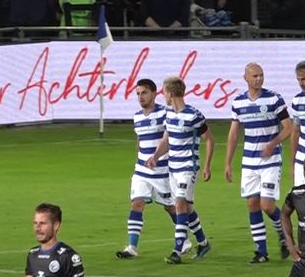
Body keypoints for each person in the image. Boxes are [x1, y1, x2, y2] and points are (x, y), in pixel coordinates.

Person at [224, 62, 295, 263]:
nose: (259, 79)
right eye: (255, 76)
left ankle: (283, 233)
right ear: (245, 78)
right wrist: (228, 163)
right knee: (252, 204)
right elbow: (233, 134)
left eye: (261, 75)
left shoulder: (273, 99)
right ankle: (261, 252)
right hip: (249, 161)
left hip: (271, 160)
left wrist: (273, 143)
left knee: (266, 204)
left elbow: (288, 127)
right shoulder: (238, 102)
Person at [116, 78, 188, 260]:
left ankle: (184, 239)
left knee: (170, 207)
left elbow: (172, 137)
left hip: (162, 171)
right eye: (138, 94)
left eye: (144, 93)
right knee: (137, 203)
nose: (140, 97)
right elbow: (140, 140)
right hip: (141, 170)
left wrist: (158, 157)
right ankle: (132, 247)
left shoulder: (166, 113)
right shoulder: (137, 117)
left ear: (154, 94)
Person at [146, 77, 214, 264]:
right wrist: (155, 156)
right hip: (172, 167)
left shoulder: (193, 115)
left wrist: (207, 166)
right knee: (187, 207)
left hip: (188, 167)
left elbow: (209, 139)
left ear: (170, 92)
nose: (163, 95)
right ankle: (203, 242)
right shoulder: (169, 114)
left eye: (164, 91)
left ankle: (177, 250)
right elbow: (167, 139)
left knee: (179, 204)